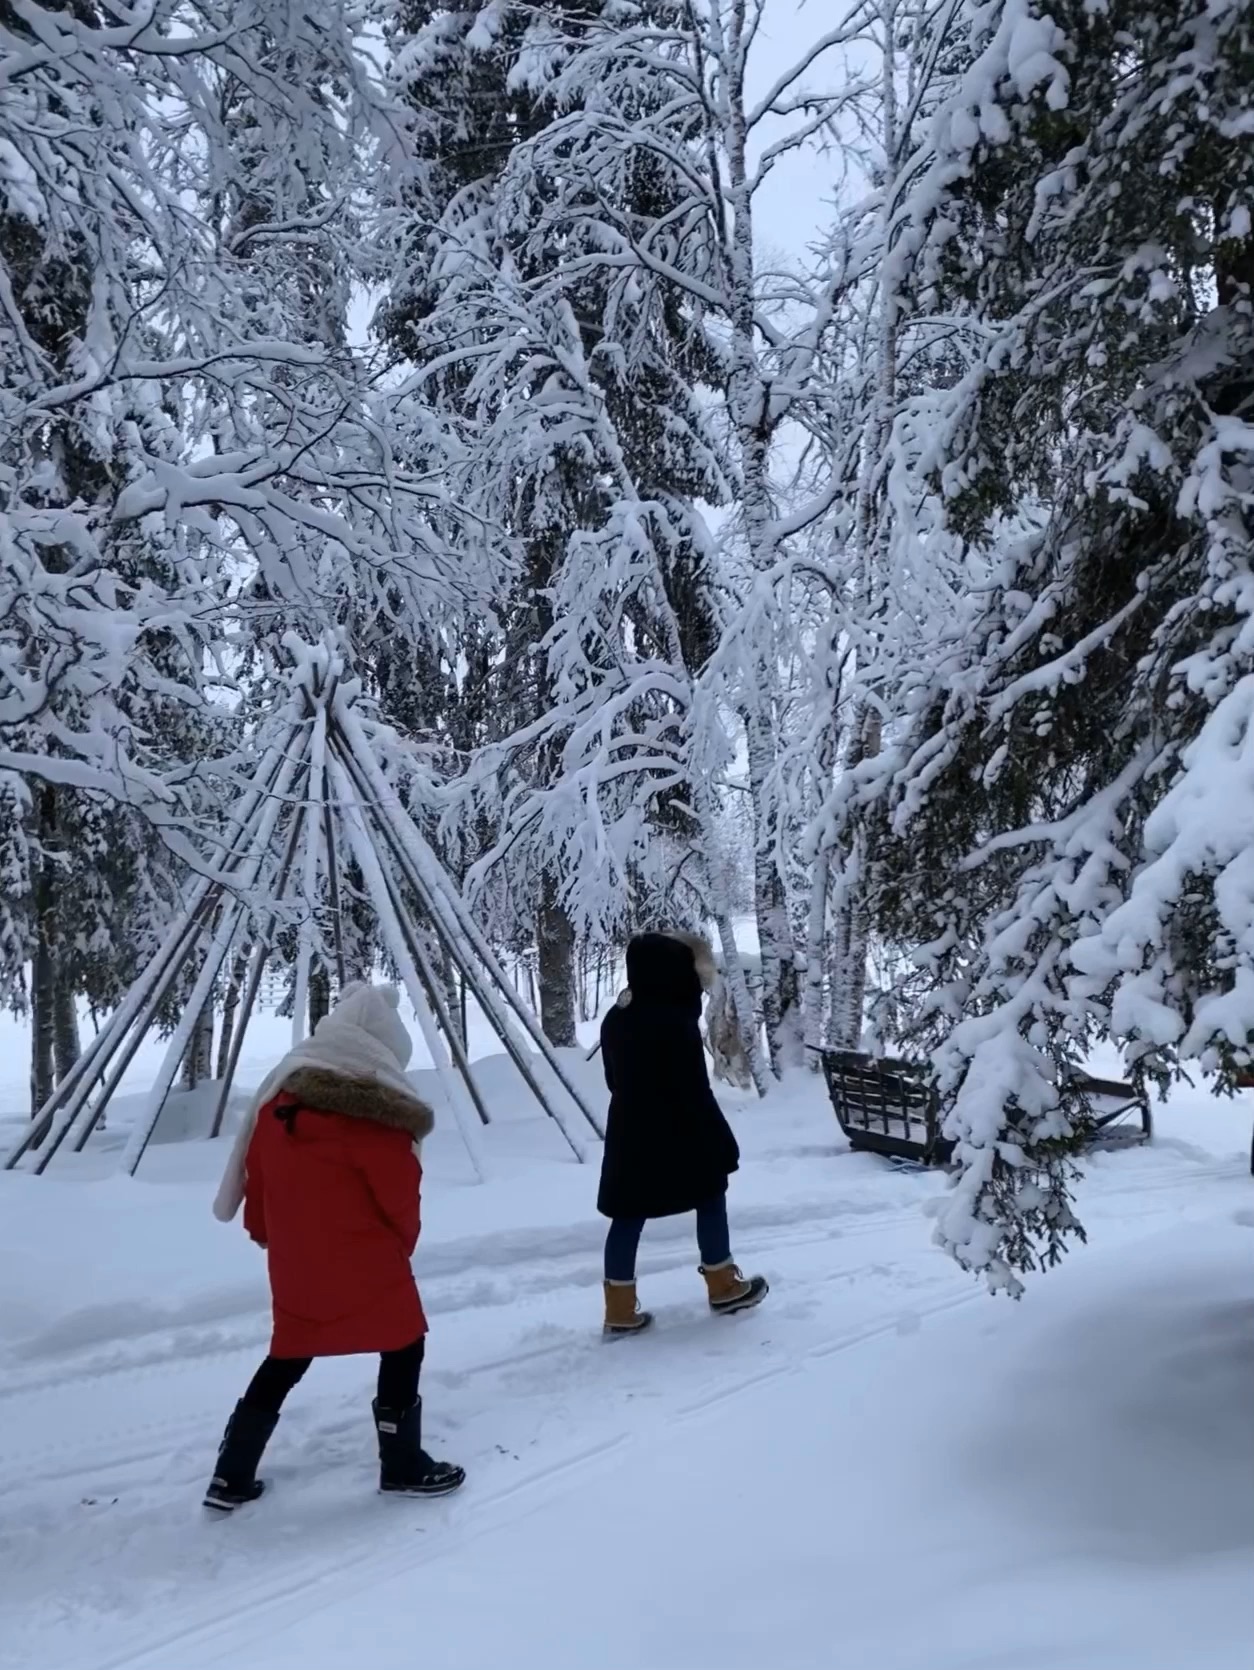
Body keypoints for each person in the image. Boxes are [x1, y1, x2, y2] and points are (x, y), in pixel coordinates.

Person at [204, 982, 465, 1510]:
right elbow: (400, 1200)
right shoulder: (379, 1120)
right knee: (403, 1343)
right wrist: (400, 1247)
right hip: (368, 1257)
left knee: (288, 1354)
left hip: (296, 1259)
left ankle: (230, 1475)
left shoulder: (277, 1106)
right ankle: (402, 1464)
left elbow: (258, 1182)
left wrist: (266, 1235)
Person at [597, 931, 769, 1335]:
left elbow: (612, 1078)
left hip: (629, 1132)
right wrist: (716, 1136)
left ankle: (619, 1310)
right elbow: (693, 1087)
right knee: (711, 1196)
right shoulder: (675, 1019)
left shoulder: (618, 1015)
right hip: (683, 1130)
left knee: (627, 1215)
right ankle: (723, 1283)